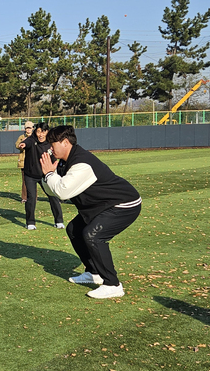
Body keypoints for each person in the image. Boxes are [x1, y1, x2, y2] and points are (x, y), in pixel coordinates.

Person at [40, 125, 141, 299]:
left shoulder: (82, 163)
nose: (50, 148)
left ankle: (113, 284)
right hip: (100, 206)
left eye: (53, 143)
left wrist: (50, 174)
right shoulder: (64, 162)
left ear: (65, 142)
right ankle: (94, 272)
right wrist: (48, 175)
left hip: (124, 203)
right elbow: (53, 191)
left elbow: (62, 192)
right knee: (74, 230)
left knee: (93, 235)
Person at [18, 122, 64, 231]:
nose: (41, 134)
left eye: (43, 132)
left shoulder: (50, 143)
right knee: (32, 198)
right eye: (38, 132)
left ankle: (59, 221)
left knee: (53, 196)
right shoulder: (31, 139)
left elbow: (55, 157)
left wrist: (55, 166)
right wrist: (23, 145)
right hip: (30, 175)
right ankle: (30, 223)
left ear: (47, 132)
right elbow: (27, 142)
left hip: (46, 175)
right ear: (36, 132)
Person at [14, 121, 34, 203]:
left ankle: (33, 197)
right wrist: (23, 143)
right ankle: (24, 198)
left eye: (30, 128)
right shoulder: (22, 137)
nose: (28, 130)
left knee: (34, 181)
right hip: (23, 161)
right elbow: (17, 145)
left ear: (32, 128)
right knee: (25, 181)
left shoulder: (34, 137)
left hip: (33, 161)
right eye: (27, 128)